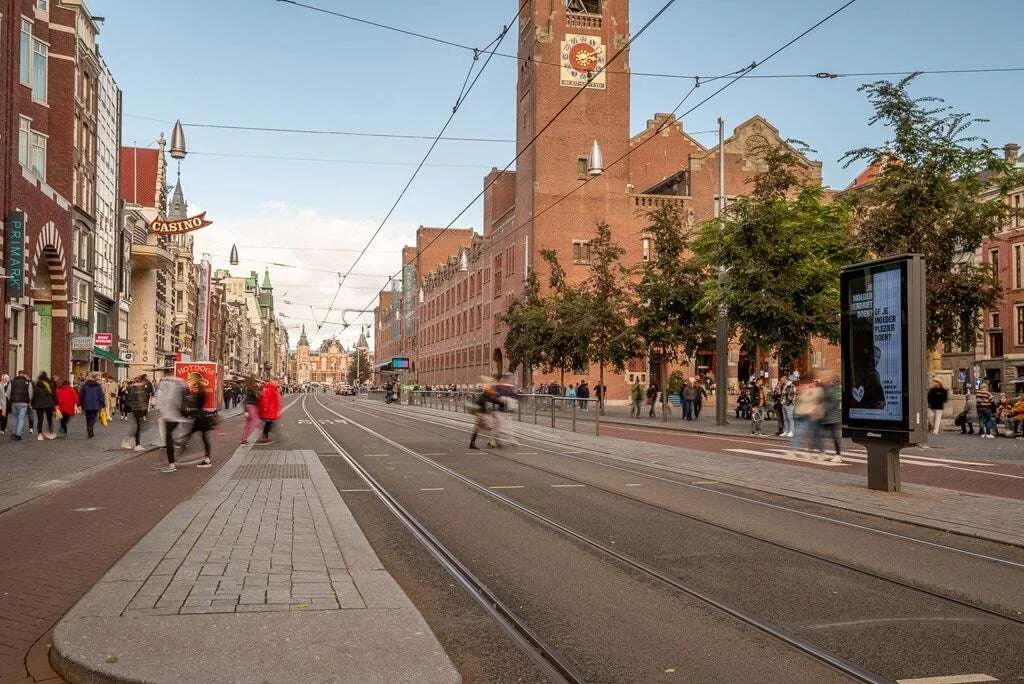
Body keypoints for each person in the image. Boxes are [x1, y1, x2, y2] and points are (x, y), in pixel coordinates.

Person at [179, 373, 213, 467]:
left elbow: (195, 406)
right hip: (203, 418)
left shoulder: (199, 394)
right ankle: (207, 458)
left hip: (199, 419)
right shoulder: (201, 393)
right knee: (204, 438)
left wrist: (185, 413)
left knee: (189, 436)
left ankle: (178, 456)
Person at [791, 371, 823, 455]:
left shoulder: (807, 388)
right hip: (806, 413)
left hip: (808, 413)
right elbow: (805, 399)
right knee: (805, 433)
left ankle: (816, 451)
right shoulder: (806, 388)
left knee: (812, 433)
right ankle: (795, 450)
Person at [818, 371, 842, 461]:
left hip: (833, 416)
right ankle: (822, 453)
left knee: (835, 436)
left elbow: (836, 402)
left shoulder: (837, 389)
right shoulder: (827, 387)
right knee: (822, 435)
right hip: (826, 416)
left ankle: (838, 455)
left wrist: (824, 408)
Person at [78, 373, 106, 438]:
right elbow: (101, 396)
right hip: (95, 404)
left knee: (88, 417)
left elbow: (81, 396)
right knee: (94, 417)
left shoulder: (85, 385)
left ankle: (89, 430)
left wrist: (81, 404)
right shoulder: (98, 386)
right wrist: (102, 404)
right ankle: (91, 428)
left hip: (87, 404)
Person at [31, 371, 57, 440]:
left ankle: (39, 435)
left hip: (39, 404)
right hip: (49, 404)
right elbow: (54, 394)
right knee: (49, 419)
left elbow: (34, 396)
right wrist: (56, 403)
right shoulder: (49, 384)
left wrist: (32, 403)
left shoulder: (36, 385)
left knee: (40, 419)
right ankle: (50, 432)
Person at [8, 370, 33, 440]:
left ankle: (13, 433)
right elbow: (30, 393)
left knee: (14, 417)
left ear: (18, 374)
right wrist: (29, 401)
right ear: (24, 375)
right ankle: (18, 435)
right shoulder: (28, 383)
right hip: (24, 403)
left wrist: (11, 399)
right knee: (21, 418)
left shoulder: (12, 382)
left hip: (14, 402)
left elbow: (8, 393)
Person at [257, 378, 281, 444]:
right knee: (268, 424)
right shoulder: (269, 389)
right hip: (269, 410)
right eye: (276, 382)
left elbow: (275, 400)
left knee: (269, 424)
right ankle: (264, 437)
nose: (277, 383)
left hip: (271, 410)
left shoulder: (273, 389)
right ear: (273, 382)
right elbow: (266, 399)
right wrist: (265, 407)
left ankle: (265, 436)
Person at [240, 378, 262, 445]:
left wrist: (245, 410)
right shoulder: (253, 390)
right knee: (255, 422)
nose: (259, 384)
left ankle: (244, 439)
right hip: (251, 407)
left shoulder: (250, 390)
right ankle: (260, 436)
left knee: (248, 424)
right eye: (258, 383)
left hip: (249, 407)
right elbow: (259, 397)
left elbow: (244, 401)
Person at [781, 373, 797, 438]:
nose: (781, 381)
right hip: (784, 403)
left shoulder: (791, 385)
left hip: (789, 404)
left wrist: (790, 402)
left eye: (782, 380)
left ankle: (791, 431)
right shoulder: (785, 385)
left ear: (786, 379)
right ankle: (786, 431)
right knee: (785, 418)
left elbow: (793, 395)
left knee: (790, 418)